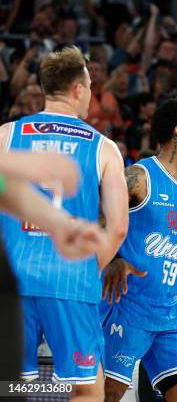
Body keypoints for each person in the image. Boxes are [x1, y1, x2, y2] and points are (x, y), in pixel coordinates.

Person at [0, 45, 129, 399]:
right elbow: (118, 227)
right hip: (71, 281)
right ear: (77, 89)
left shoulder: (6, 135)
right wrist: (90, 267)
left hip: (13, 281)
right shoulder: (103, 147)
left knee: (8, 387)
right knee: (86, 389)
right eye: (88, 86)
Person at [101, 99, 177, 401]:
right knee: (108, 394)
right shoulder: (139, 177)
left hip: (167, 311)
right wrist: (111, 259)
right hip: (125, 303)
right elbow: (91, 215)